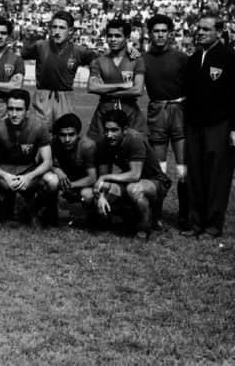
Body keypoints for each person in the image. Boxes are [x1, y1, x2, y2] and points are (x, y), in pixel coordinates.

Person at [183, 13, 235, 238]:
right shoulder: (194, 58)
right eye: (199, 28)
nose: (200, 32)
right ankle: (196, 223)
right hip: (194, 125)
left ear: (219, 32)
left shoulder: (229, 57)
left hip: (219, 125)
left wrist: (234, 128)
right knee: (195, 174)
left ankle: (213, 225)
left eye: (206, 29)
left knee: (217, 176)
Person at [91, 109, 172, 240]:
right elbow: (102, 179)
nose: (109, 135)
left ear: (125, 129)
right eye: (106, 130)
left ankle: (145, 227)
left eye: (114, 130)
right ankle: (128, 218)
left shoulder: (135, 139)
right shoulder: (103, 143)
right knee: (106, 190)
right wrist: (101, 196)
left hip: (155, 181)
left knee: (133, 189)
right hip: (129, 180)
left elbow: (135, 175)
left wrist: (105, 177)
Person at [0, 89, 55, 225]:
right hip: (4, 169)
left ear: (27, 111)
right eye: (10, 109)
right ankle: (0, 209)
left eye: (19, 109)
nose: (14, 114)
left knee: (52, 181)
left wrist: (29, 177)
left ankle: (32, 209)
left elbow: (47, 162)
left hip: (28, 169)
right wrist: (5, 176)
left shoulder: (39, 127)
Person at [143, 14, 189, 230]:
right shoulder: (143, 58)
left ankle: (185, 216)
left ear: (170, 33)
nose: (160, 35)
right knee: (159, 168)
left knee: (183, 168)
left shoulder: (181, 58)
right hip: (157, 112)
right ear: (150, 34)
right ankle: (156, 215)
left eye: (164, 31)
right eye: (156, 31)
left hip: (179, 111)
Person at [21, 10, 97, 129]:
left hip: (65, 98)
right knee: (38, 133)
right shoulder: (40, 46)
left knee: (64, 134)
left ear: (70, 31)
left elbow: (95, 60)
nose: (57, 31)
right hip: (42, 98)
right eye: (54, 27)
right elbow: (22, 54)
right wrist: (28, 37)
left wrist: (94, 75)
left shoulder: (78, 51)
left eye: (62, 28)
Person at [86, 19, 147, 142]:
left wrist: (106, 91)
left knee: (135, 146)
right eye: (110, 36)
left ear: (127, 37)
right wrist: (122, 85)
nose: (112, 39)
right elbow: (92, 87)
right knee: (93, 147)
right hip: (104, 111)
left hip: (130, 112)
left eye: (117, 36)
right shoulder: (99, 61)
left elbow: (137, 90)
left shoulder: (136, 60)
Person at [50, 113, 97, 225]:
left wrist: (71, 185)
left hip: (83, 184)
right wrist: (57, 170)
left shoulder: (87, 146)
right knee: (48, 182)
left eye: (71, 135)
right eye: (63, 135)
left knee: (87, 195)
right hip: (64, 181)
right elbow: (43, 162)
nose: (67, 139)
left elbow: (92, 178)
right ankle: (49, 212)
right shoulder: (54, 143)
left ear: (78, 134)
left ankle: (92, 217)